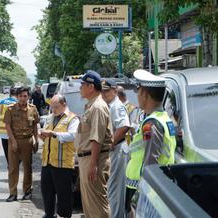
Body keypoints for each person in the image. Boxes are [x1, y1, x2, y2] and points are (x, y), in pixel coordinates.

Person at [125, 70, 176, 216]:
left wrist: (139, 196)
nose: (137, 96)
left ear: (145, 94)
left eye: (138, 91)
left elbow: (150, 162)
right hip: (156, 185)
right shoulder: (165, 118)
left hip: (142, 188)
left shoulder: (151, 124)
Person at [74, 70, 113, 218]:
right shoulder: (91, 105)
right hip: (88, 158)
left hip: (94, 159)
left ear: (91, 87)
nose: (80, 88)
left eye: (82, 85)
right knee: (90, 207)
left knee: (97, 206)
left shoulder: (97, 107)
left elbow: (97, 138)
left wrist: (93, 164)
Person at [39, 94, 79, 218]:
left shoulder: (72, 118)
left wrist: (53, 134)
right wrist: (42, 135)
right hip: (48, 161)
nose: (53, 110)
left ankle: (64, 215)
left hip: (63, 163)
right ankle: (49, 213)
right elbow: (45, 132)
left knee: (64, 194)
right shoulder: (50, 117)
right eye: (52, 107)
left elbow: (73, 135)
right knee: (47, 191)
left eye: (56, 107)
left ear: (64, 105)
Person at [4, 86, 39, 202]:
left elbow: (35, 125)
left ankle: (27, 191)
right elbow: (8, 126)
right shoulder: (10, 109)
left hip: (27, 141)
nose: (23, 98)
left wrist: (36, 140)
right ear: (17, 97)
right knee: (13, 168)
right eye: (20, 96)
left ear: (28, 96)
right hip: (14, 140)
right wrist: (13, 142)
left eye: (25, 96)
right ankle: (13, 193)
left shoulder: (33, 109)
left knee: (27, 168)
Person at [101, 79, 130, 218]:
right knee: (110, 189)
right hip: (112, 150)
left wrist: (109, 144)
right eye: (102, 91)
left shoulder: (116, 106)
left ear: (114, 91)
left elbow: (124, 126)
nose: (104, 93)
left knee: (115, 190)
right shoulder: (109, 105)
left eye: (107, 90)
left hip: (117, 149)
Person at [0, 87, 18, 165]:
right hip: (14, 132)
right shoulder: (18, 103)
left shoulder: (2, 102)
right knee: (14, 153)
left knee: (7, 153)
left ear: (10, 94)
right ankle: (13, 169)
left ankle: (10, 167)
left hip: (3, 132)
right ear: (17, 95)